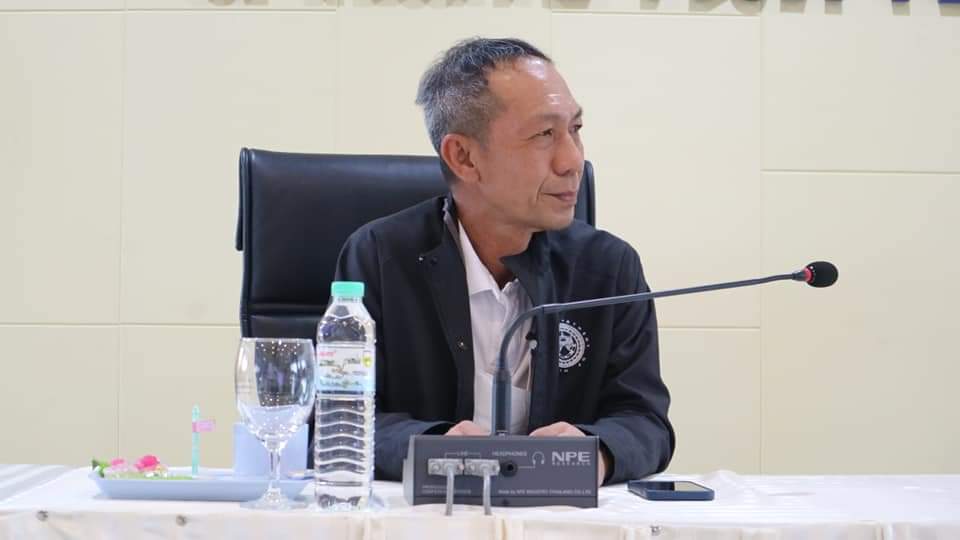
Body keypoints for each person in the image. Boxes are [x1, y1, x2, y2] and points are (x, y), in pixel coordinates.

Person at [334, 37, 674, 485]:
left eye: (575, 129)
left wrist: (597, 452)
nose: (573, 160)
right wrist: (433, 445)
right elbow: (341, 417)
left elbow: (645, 421)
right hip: (425, 512)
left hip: (558, 512)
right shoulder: (379, 257)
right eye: (544, 135)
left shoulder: (608, 268)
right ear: (463, 157)